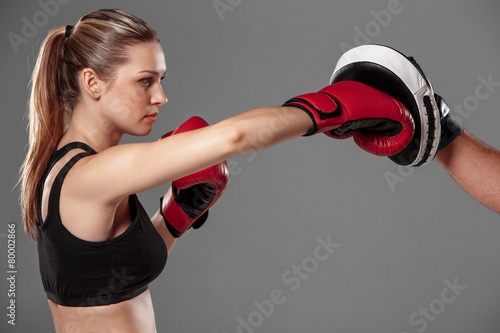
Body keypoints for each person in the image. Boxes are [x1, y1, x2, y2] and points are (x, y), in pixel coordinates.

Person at [19, 8, 415, 332]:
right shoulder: (92, 175)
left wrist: (176, 216)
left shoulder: (71, 168)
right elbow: (235, 137)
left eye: (161, 79)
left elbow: (112, 279)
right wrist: (333, 107)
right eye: (145, 81)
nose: (160, 96)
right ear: (92, 82)